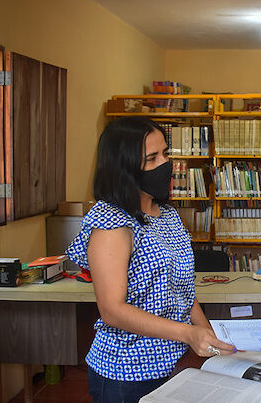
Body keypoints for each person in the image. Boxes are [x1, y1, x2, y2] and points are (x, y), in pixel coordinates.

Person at [66, 116, 234, 402]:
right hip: (127, 373)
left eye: (165, 154)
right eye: (151, 158)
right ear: (124, 166)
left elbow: (182, 286)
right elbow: (112, 310)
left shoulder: (166, 214)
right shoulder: (111, 221)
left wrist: (203, 329)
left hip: (174, 362)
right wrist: (188, 333)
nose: (164, 164)